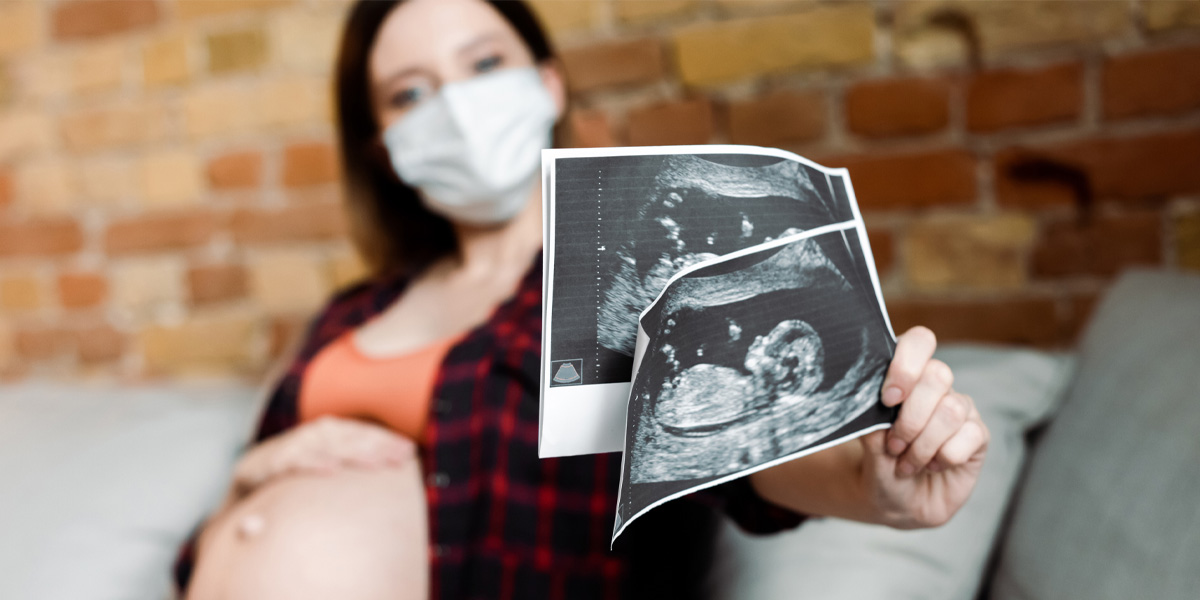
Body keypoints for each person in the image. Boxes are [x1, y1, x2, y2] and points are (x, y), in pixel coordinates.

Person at [175, 1, 990, 598]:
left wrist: (874, 482)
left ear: (548, 84)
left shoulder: (635, 274)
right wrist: (252, 481)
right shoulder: (348, 315)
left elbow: (752, 462)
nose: (455, 106)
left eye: (484, 64)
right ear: (383, 148)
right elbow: (210, 550)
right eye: (408, 93)